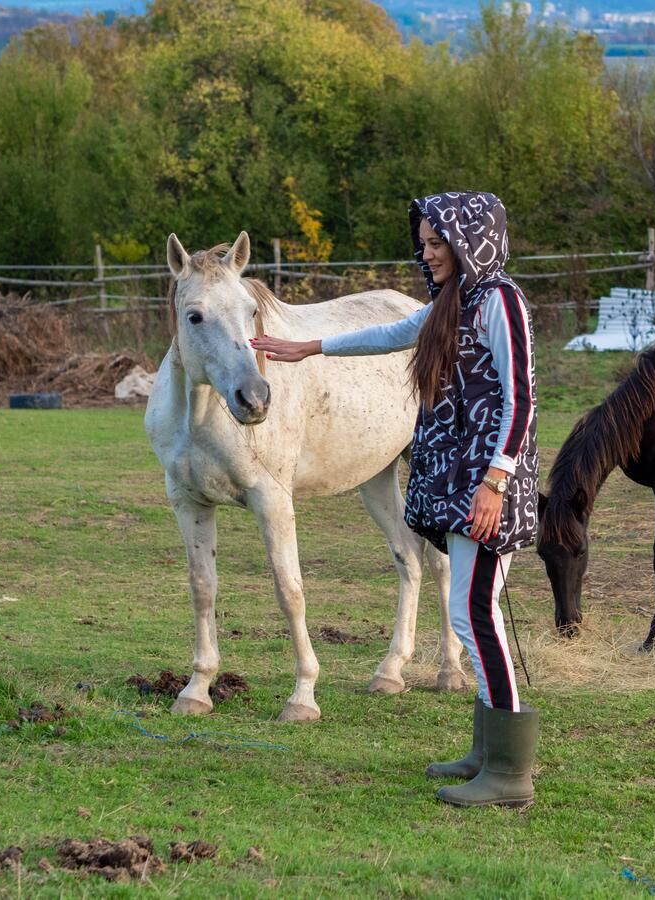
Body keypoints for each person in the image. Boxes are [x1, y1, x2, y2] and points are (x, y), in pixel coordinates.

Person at [250, 191, 540, 808]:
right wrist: (310, 349)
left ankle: (510, 773)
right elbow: (390, 333)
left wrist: (495, 483)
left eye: (440, 243)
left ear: (471, 242)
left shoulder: (500, 301)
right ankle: (486, 753)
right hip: (464, 477)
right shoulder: (451, 303)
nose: (427, 253)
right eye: (427, 242)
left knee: (476, 616)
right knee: (471, 613)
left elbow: (521, 399)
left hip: (487, 481)